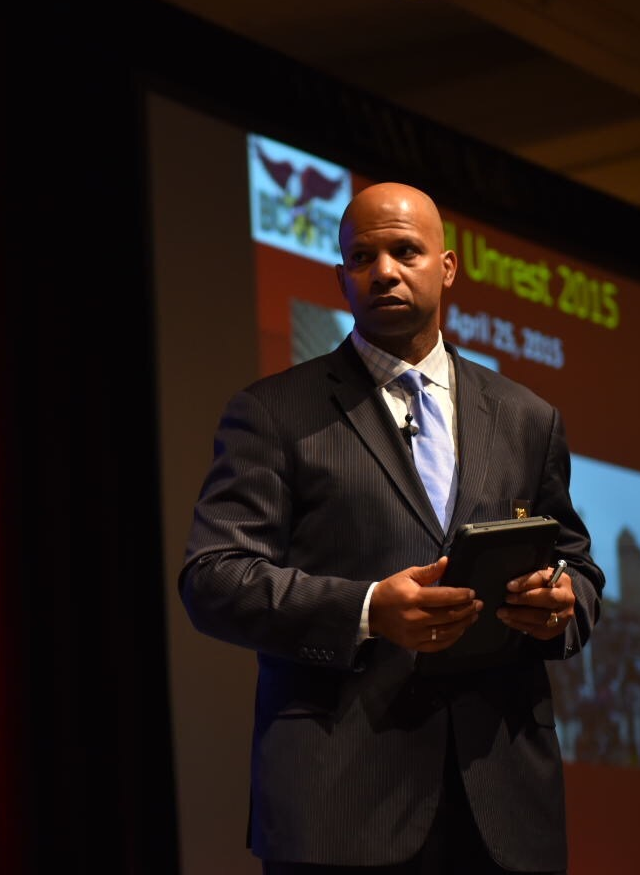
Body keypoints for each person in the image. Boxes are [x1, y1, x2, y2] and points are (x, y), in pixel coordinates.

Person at [179, 182, 603, 874]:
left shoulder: (528, 417)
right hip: (340, 803)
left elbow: (576, 566)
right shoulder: (273, 413)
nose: (382, 271)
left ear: (447, 266)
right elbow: (213, 578)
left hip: (502, 801)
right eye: (360, 257)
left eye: (405, 251)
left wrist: (563, 603)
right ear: (341, 276)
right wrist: (369, 610)